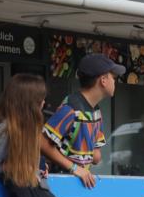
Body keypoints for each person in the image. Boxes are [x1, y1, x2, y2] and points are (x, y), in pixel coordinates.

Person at [42, 53, 123, 189]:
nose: (115, 82)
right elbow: (42, 142)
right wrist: (74, 167)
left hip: (78, 184)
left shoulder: (95, 110)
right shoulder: (71, 108)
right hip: (60, 183)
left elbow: (96, 156)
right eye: (113, 77)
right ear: (103, 80)